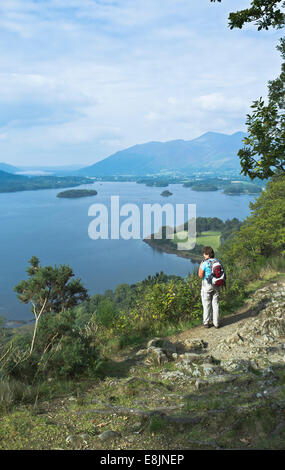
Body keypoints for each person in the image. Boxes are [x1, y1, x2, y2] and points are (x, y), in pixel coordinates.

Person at [198, 246, 222, 329]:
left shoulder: (204, 263)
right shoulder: (218, 261)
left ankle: (206, 322)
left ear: (207, 254)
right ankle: (216, 323)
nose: (203, 255)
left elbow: (200, 275)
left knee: (206, 304)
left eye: (204, 253)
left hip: (207, 286)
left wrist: (201, 264)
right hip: (217, 285)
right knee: (215, 304)